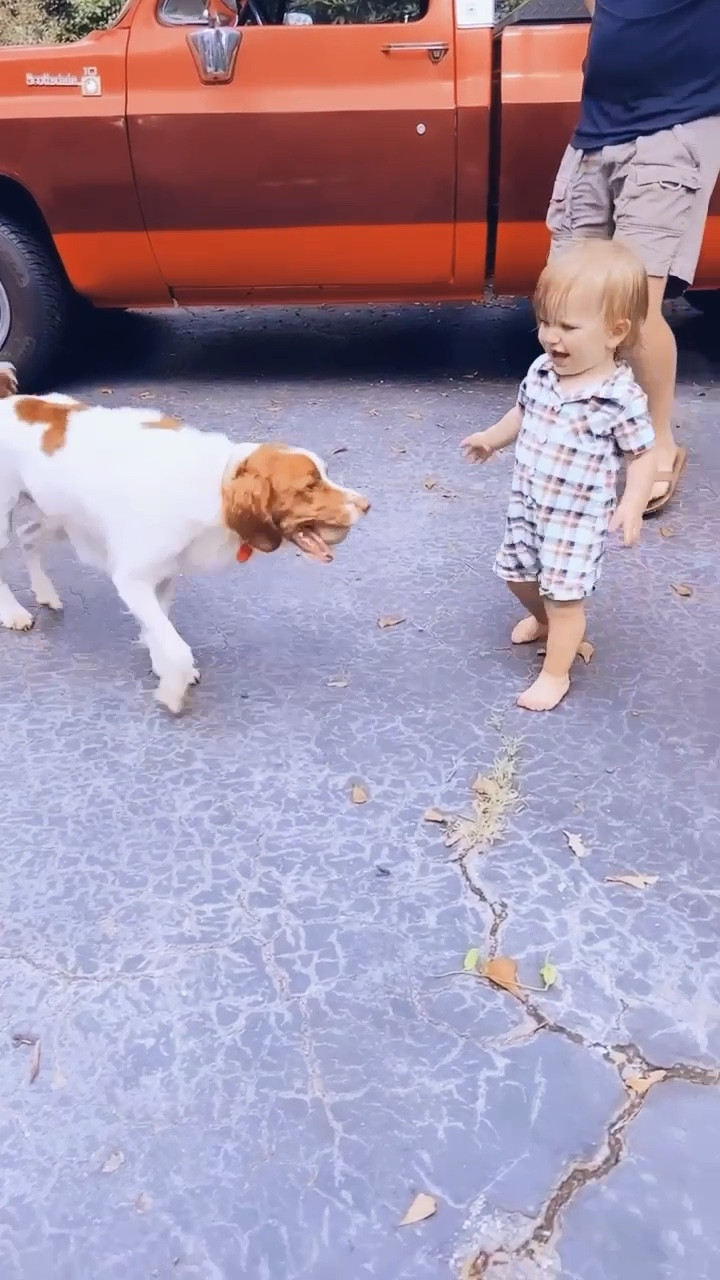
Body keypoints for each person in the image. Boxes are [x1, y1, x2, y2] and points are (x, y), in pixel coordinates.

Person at [461, 240, 656, 712]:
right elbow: (520, 413)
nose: (552, 337)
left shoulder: (619, 398)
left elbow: (643, 455)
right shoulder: (543, 372)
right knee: (517, 577)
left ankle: (556, 672)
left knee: (565, 599)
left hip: (576, 521)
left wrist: (632, 503)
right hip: (528, 505)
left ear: (615, 332)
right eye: (545, 322)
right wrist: (491, 437)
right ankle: (542, 621)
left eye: (568, 326)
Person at [546, 0, 720, 515]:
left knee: (634, 307)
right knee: (569, 298)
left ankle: (659, 444)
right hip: (595, 133)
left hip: (675, 126)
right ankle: (584, 439)